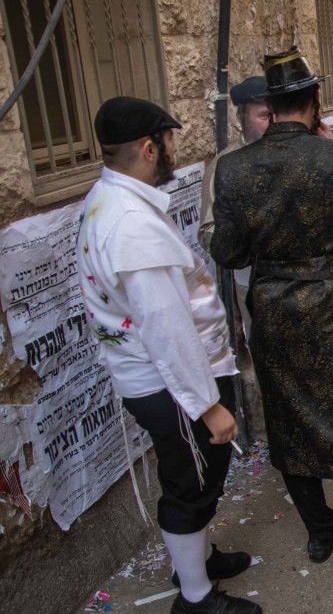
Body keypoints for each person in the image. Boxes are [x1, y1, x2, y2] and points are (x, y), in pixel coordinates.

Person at [78, 97, 259, 614]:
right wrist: (209, 406)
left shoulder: (113, 199)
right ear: (148, 147)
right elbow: (167, 330)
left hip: (169, 380)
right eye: (170, 141)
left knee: (196, 477)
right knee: (190, 487)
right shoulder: (130, 225)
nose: (175, 150)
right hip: (173, 384)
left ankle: (197, 560)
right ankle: (195, 597)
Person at [211, 46, 333, 563]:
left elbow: (229, 253)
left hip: (275, 318)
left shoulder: (234, 169)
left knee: (290, 423)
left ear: (270, 104)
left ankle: (320, 530)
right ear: (315, 99)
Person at [199, 75, 271, 339]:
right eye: (264, 116)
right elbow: (208, 230)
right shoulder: (224, 165)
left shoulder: (296, 151)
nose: (273, 124)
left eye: (276, 115)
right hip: (253, 281)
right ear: (241, 116)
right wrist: (248, 244)